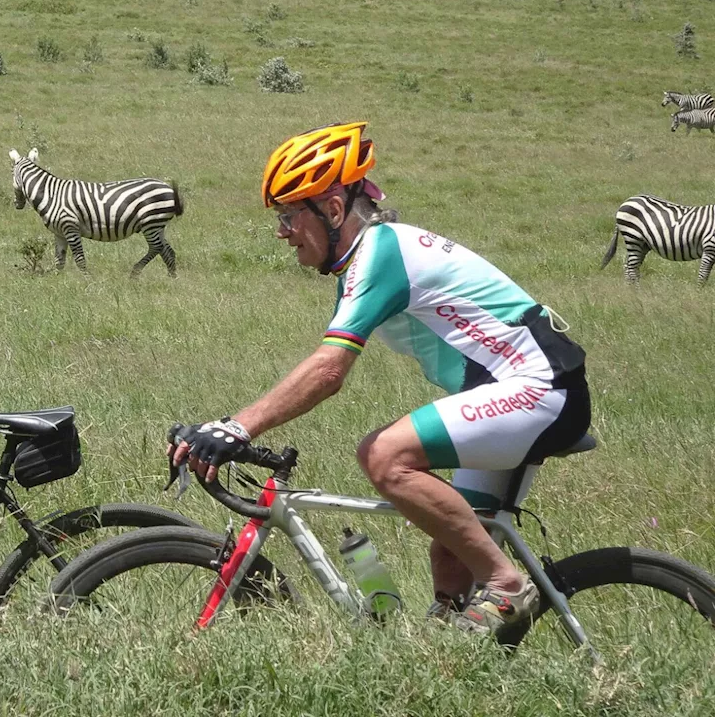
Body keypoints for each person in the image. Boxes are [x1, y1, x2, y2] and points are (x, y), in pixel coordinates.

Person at [169, 122, 590, 635]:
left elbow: (328, 370)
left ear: (333, 209)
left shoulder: (380, 252)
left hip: (540, 389)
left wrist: (237, 427)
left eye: (288, 214)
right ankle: (448, 655)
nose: (281, 231)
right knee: (454, 551)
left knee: (382, 455)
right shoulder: (365, 258)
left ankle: (506, 586)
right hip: (520, 392)